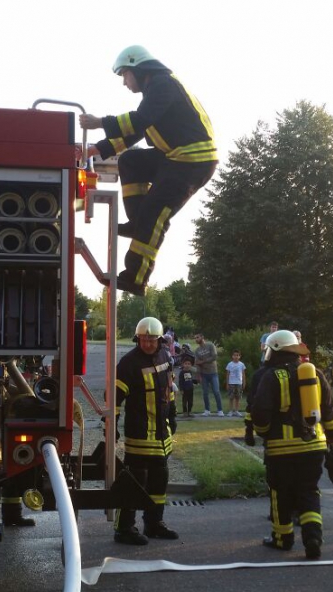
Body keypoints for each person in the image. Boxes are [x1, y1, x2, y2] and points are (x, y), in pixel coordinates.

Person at [79, 46, 218, 296]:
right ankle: (136, 223)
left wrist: (99, 122)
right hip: (175, 158)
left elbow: (138, 121)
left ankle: (135, 278)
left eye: (124, 75)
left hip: (192, 164)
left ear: (137, 69)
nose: (124, 82)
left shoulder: (164, 85)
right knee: (130, 161)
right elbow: (134, 132)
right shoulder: (155, 94)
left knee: (155, 214)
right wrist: (94, 150)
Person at [252, 330, 333, 559]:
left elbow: (261, 414)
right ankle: (313, 537)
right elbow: (330, 413)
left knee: (280, 492)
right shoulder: (315, 374)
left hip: (280, 449)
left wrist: (264, 434)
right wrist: (332, 442)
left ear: (274, 350)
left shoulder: (271, 376)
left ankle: (282, 539)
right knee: (309, 490)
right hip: (313, 446)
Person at [113, 316, 179, 545]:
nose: (148, 344)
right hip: (140, 434)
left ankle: (154, 523)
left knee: (160, 480)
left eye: (152, 340)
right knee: (134, 481)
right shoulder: (128, 363)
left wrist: (173, 414)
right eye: (144, 340)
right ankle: (124, 528)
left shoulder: (164, 356)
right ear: (137, 338)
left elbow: (169, 388)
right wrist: (111, 426)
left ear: (160, 340)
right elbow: (113, 398)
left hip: (162, 434)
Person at [193, 333, 223, 416]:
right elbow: (197, 363)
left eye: (197, 337)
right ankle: (207, 410)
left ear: (202, 337)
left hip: (213, 372)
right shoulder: (197, 350)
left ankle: (220, 410)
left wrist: (203, 361)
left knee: (216, 391)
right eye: (195, 338)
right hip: (203, 374)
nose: (196, 339)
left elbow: (214, 356)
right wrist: (198, 375)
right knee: (205, 392)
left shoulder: (210, 345)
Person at [226, 350, 247, 417]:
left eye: (237, 355)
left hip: (239, 383)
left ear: (239, 356)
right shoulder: (230, 364)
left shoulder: (241, 364)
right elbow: (227, 374)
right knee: (231, 397)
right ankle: (230, 411)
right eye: (234, 355)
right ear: (232, 356)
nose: (236, 357)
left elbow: (243, 374)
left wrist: (244, 382)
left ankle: (236, 410)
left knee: (237, 397)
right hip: (231, 383)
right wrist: (227, 383)